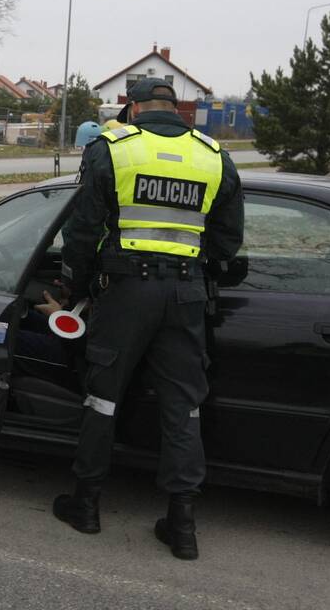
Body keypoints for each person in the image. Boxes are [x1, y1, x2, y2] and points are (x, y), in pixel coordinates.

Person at [52, 78, 244, 561]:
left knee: (102, 398)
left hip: (126, 292)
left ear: (132, 107)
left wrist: (75, 283)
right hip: (186, 293)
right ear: (175, 109)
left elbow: (82, 230)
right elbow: (226, 240)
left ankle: (87, 505)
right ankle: (182, 526)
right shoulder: (213, 155)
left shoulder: (112, 149)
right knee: (184, 406)